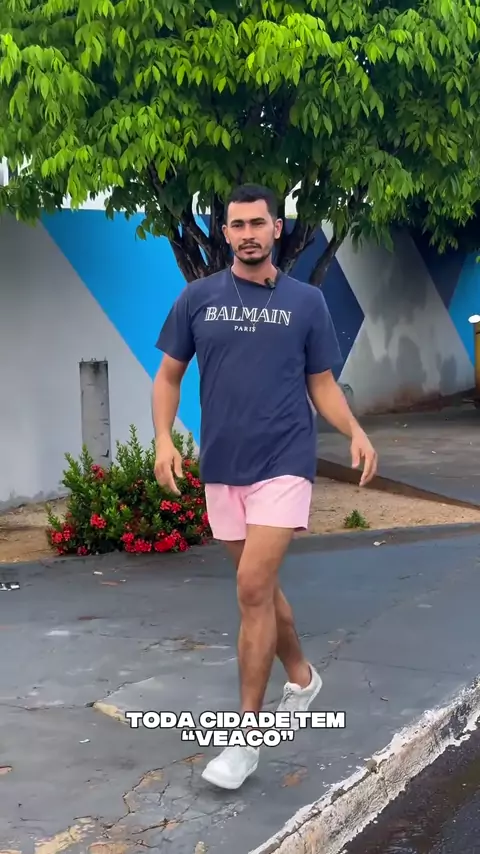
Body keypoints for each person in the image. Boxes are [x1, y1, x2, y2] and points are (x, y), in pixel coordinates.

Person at [152, 184, 378, 790]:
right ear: (225, 232)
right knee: (263, 591)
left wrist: (354, 430)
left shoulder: (306, 302)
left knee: (252, 586)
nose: (248, 233)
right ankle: (302, 677)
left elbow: (321, 382)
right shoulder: (197, 298)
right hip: (223, 466)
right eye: (237, 224)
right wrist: (163, 439)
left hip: (285, 461)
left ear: (277, 228)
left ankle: (245, 741)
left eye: (258, 223)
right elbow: (168, 376)